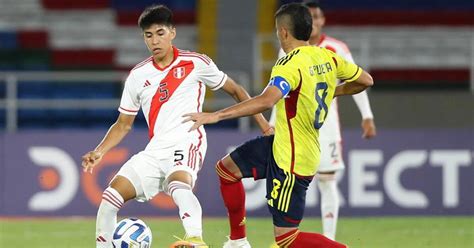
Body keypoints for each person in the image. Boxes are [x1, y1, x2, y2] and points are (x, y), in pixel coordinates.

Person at [81, 4, 272, 248]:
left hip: (187, 140)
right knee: (109, 199)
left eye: (160, 33)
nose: (154, 41)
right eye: (149, 35)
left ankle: (195, 241)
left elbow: (236, 90)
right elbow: (123, 124)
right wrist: (99, 151)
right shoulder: (138, 75)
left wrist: (264, 126)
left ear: (172, 32)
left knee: (178, 186)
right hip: (155, 150)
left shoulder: (196, 63)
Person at [183, 3, 373, 248]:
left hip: (292, 160)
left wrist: (216, 116)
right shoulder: (326, 56)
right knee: (226, 169)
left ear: (283, 32)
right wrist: (331, 92)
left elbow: (266, 100)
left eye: (276, 31)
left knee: (286, 239)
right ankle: (238, 242)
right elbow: (365, 80)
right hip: (282, 143)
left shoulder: (289, 64)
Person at [269, 0, 377, 241]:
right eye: (311, 17)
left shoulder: (336, 49)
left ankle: (329, 238)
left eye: (317, 17)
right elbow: (277, 93)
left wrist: (367, 116)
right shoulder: (286, 51)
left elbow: (359, 80)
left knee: (327, 181)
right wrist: (272, 122)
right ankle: (292, 237)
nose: (315, 22)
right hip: (294, 125)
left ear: (321, 20)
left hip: (325, 125)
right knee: (293, 184)